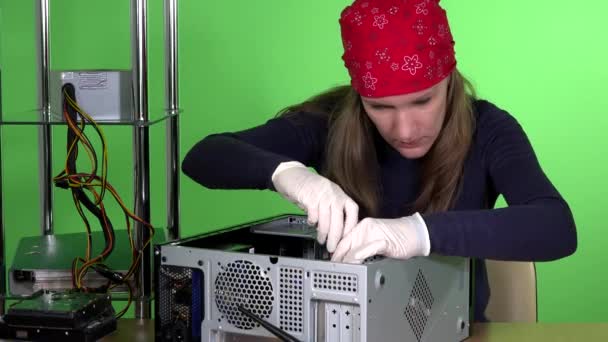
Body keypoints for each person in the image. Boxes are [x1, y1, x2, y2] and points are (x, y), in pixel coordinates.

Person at [182, 0, 577, 321]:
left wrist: (415, 232)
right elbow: (203, 156)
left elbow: (556, 226)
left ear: (449, 81)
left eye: (423, 100)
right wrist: (289, 174)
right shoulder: (330, 121)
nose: (404, 129)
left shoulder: (489, 128)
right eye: (380, 106)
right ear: (360, 98)